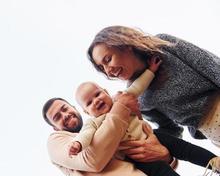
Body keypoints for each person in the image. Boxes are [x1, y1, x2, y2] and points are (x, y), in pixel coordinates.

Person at [71, 80, 219, 176]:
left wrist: (150, 71)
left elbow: (137, 86)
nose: (96, 101)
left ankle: (214, 162)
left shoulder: (121, 99)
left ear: (106, 91)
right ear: (86, 111)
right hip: (136, 155)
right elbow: (85, 134)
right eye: (89, 103)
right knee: (161, 173)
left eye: (97, 94)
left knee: (184, 148)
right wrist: (78, 144)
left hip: (153, 135)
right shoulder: (94, 123)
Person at [87, 25, 220, 148]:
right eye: (102, 68)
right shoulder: (136, 96)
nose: (108, 71)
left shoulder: (162, 45)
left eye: (108, 60)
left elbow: (210, 66)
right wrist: (148, 137)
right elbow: (171, 130)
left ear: (125, 45)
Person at [43, 94, 175, 176]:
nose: (65, 115)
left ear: (74, 107)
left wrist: (166, 156)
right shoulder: (55, 140)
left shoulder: (102, 129)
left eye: (65, 109)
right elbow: (92, 160)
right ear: (55, 128)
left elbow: (141, 158)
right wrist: (120, 108)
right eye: (57, 117)